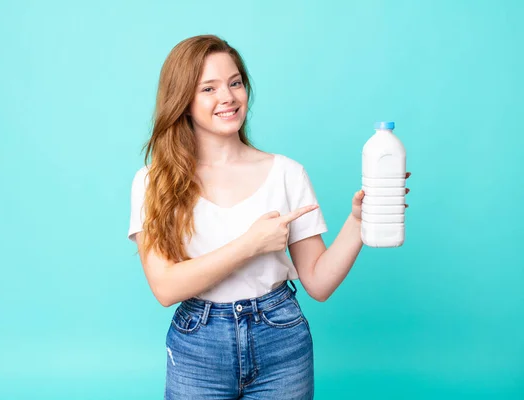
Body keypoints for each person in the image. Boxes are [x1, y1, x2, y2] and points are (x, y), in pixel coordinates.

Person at [128, 34, 410, 400]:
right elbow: (165, 288)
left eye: (235, 82)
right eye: (208, 89)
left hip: (280, 337)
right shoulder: (154, 183)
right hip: (199, 346)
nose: (227, 97)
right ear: (183, 101)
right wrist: (250, 244)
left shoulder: (287, 173)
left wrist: (359, 221)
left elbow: (319, 283)